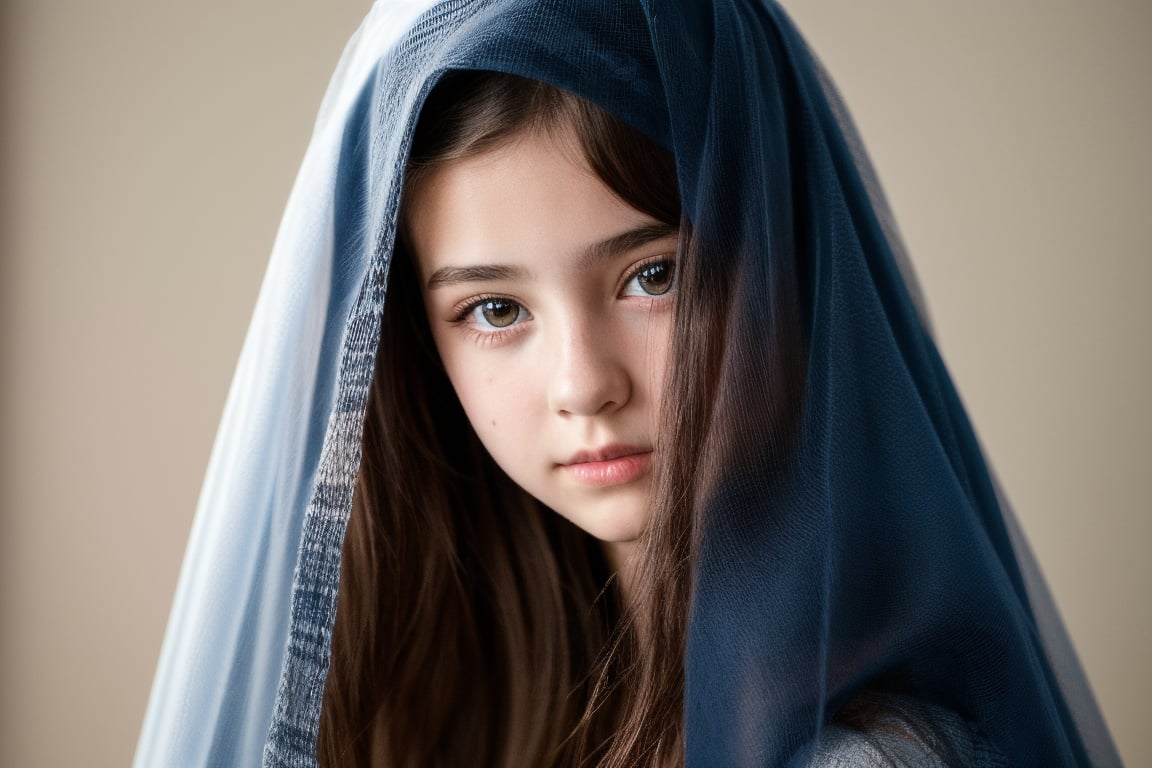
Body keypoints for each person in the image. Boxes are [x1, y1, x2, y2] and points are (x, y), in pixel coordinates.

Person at [135, 1, 1121, 766]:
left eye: (656, 276)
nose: (584, 384)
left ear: (785, 264)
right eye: (495, 310)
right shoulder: (475, 709)